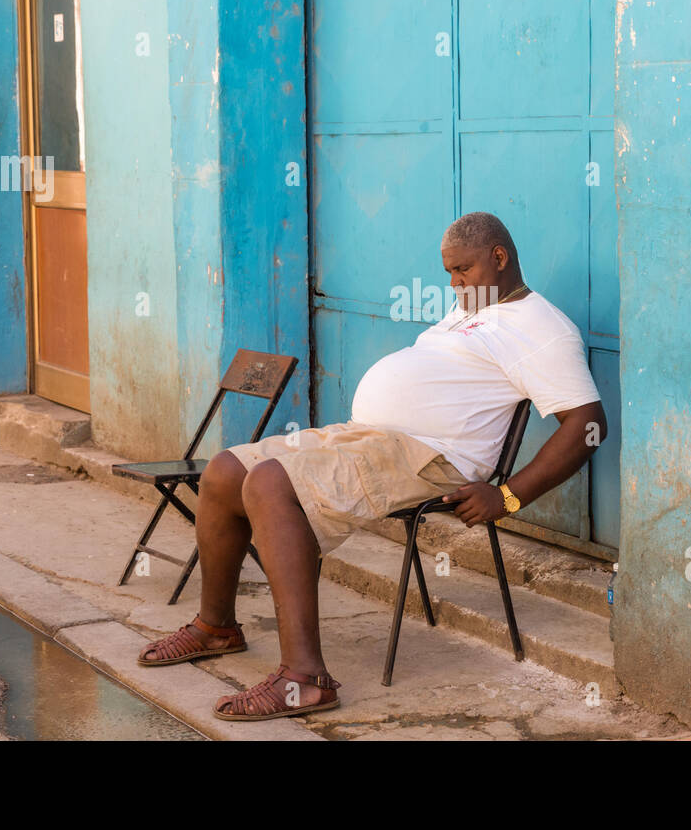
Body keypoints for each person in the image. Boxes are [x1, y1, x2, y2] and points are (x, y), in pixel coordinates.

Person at [135, 211, 607, 720]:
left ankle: (305, 678)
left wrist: (509, 495)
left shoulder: (542, 328)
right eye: (448, 272)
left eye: (463, 270)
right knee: (225, 470)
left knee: (272, 482)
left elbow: (586, 425)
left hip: (430, 458)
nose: (454, 283)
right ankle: (216, 627)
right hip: (370, 438)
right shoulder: (472, 307)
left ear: (500, 257)